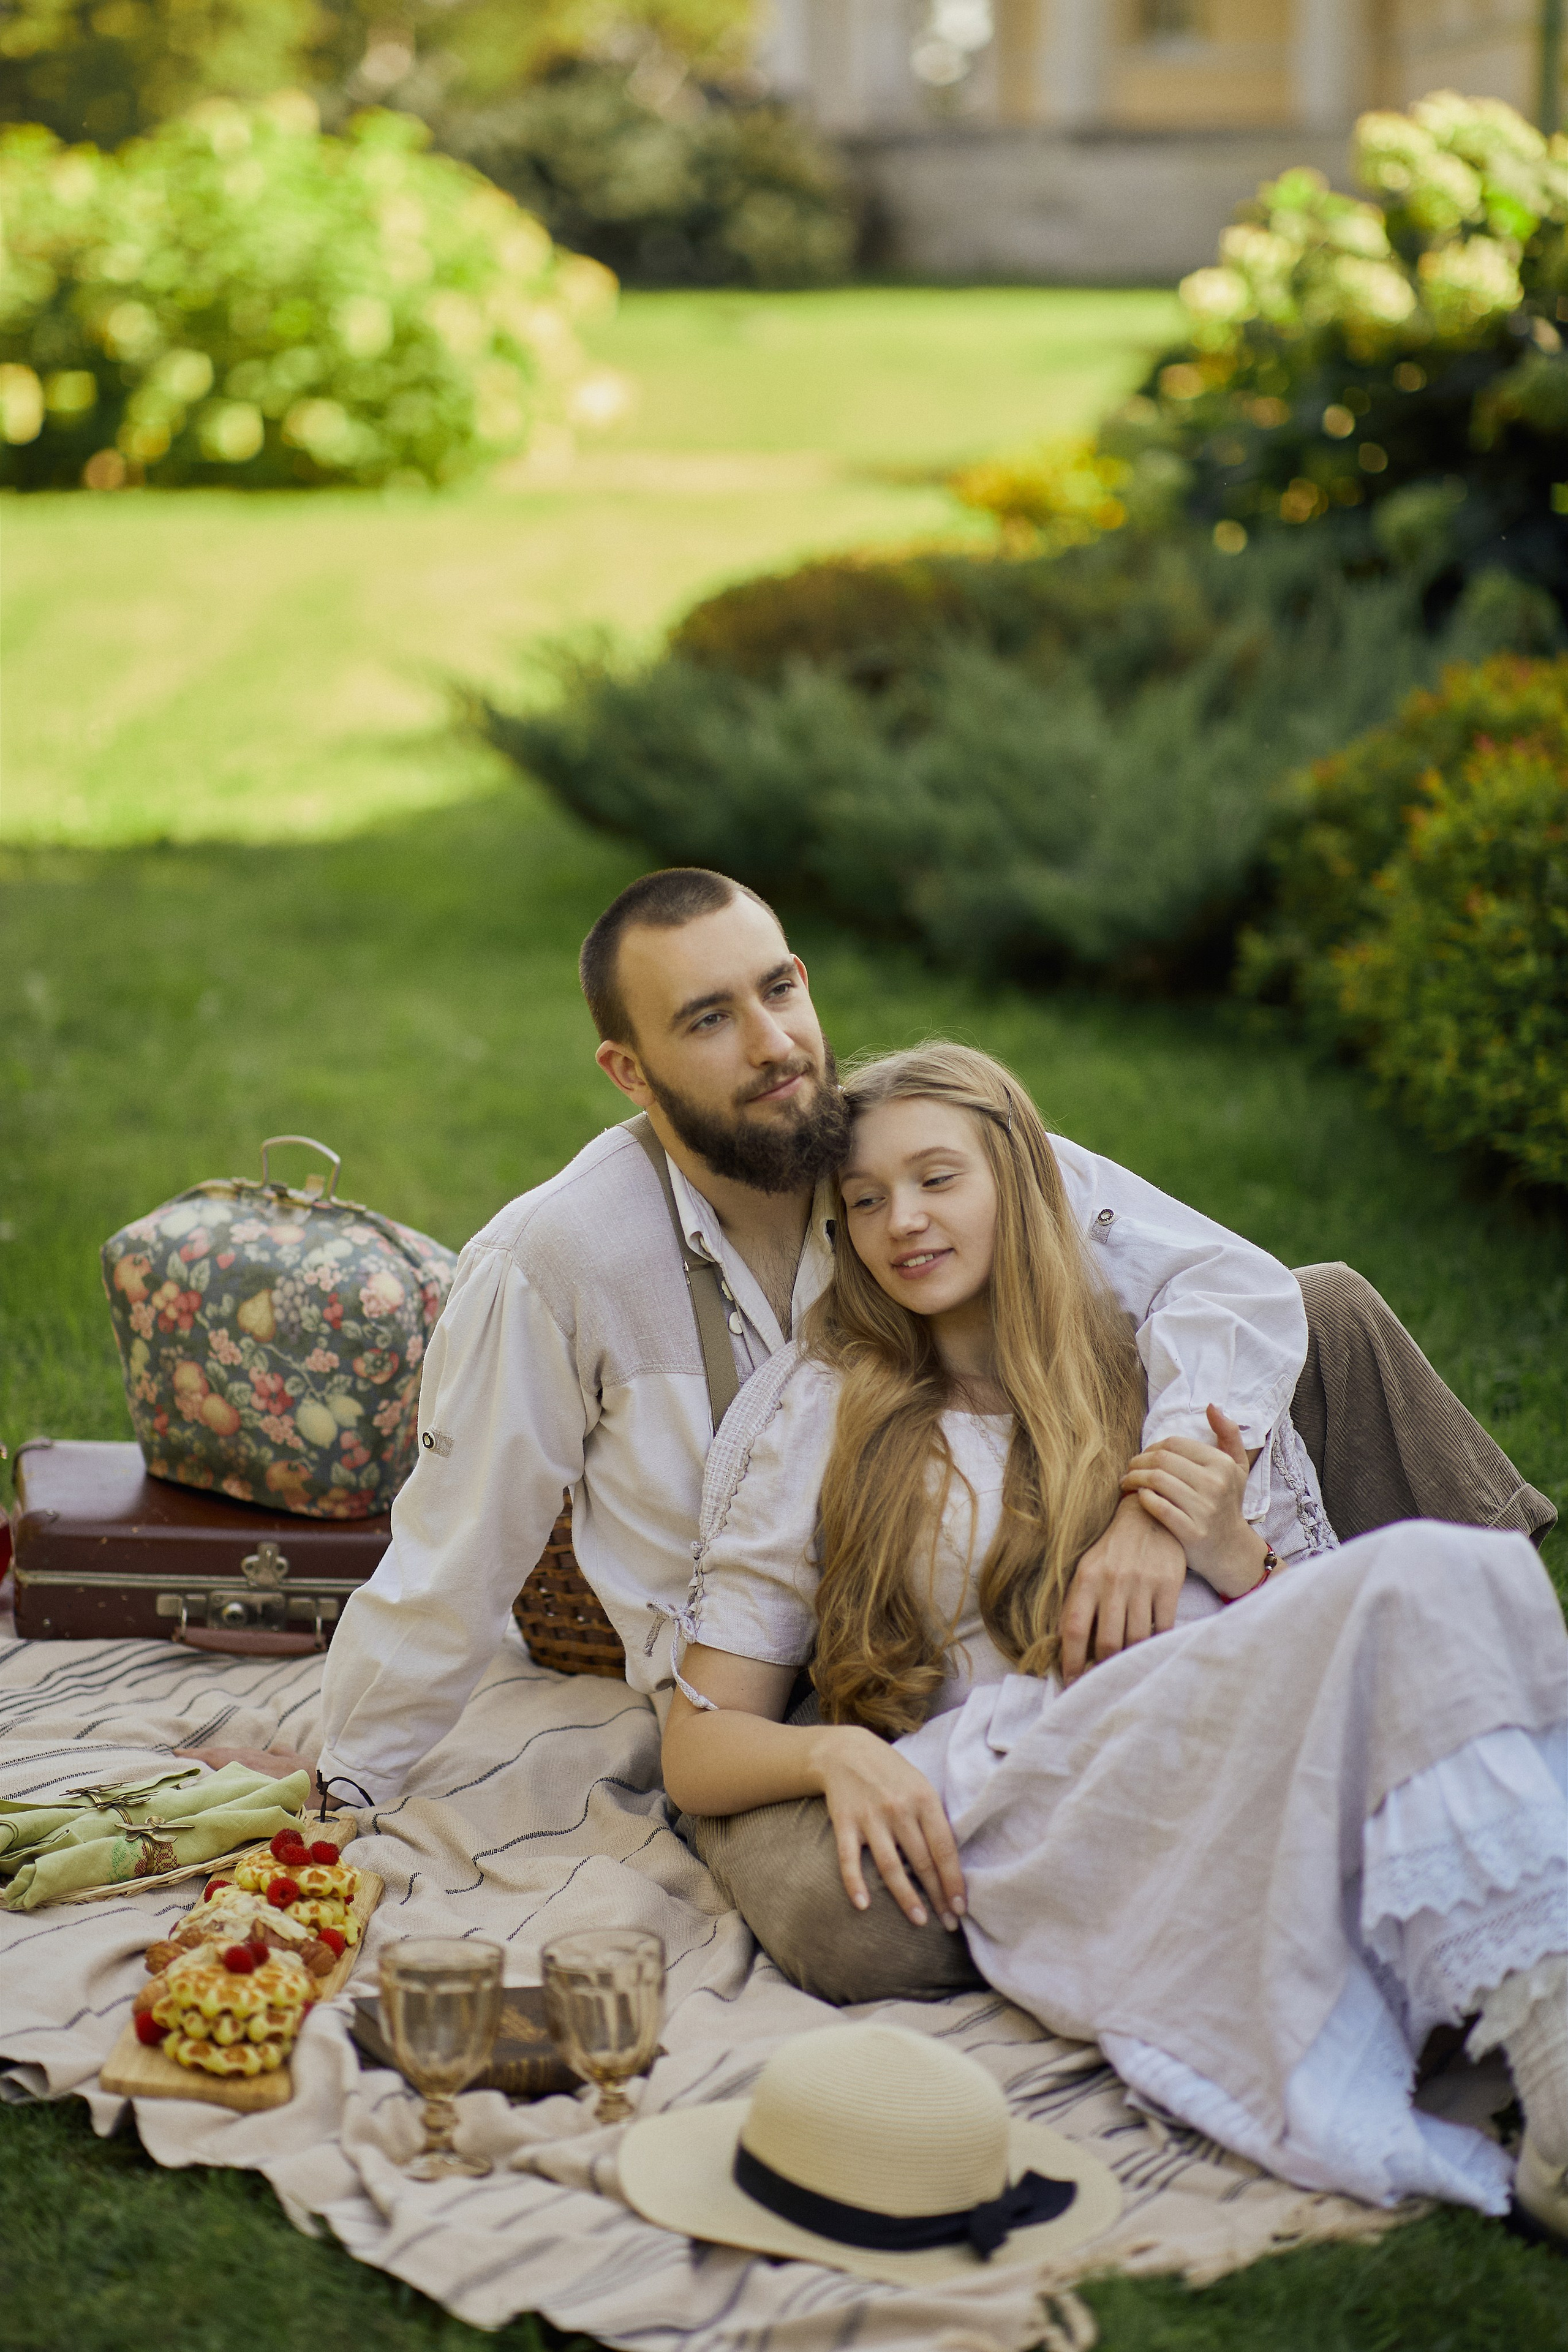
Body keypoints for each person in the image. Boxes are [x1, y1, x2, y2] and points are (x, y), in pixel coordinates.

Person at [300, 866, 1552, 2005]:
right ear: (628, 1070)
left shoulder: (900, 1142)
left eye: (778, 988)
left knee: (1322, 1307)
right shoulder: (556, 1258)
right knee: (874, 1934)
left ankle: (1483, 1722)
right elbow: (454, 1554)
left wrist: (1148, 1511)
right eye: (707, 1019)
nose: (775, 1042)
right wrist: (337, 1786)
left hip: (1020, 1585)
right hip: (778, 1690)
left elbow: (1222, 1280)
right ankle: (1319, 1815)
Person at [663, 1043, 1568, 2238]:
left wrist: (1229, 1556)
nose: (901, 1222)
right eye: (865, 1202)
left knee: (1436, 1586)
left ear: (1020, 1181)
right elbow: (697, 1744)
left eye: (937, 1178)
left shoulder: (1148, 1361)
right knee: (1431, 1569)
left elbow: (1289, 1621)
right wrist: (833, 1755)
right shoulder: (834, 1408)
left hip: (1224, 1732)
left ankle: (1547, 2079)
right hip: (1040, 1779)